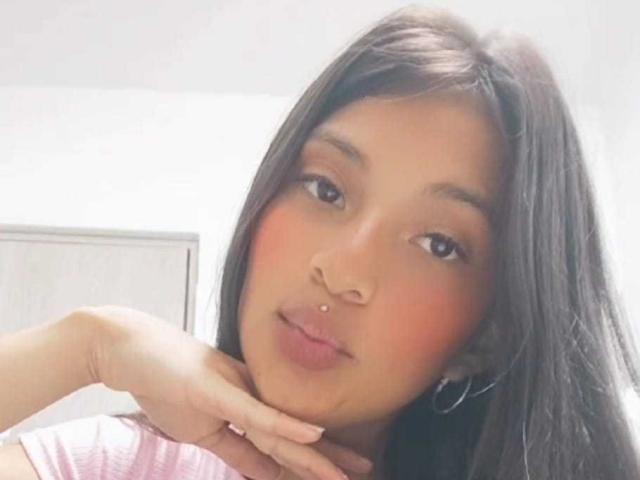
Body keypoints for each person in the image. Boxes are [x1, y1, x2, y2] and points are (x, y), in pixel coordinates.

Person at [1, 4, 639, 480]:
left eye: (438, 244)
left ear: (486, 337)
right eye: (326, 189)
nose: (342, 270)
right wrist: (89, 345)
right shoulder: (120, 464)